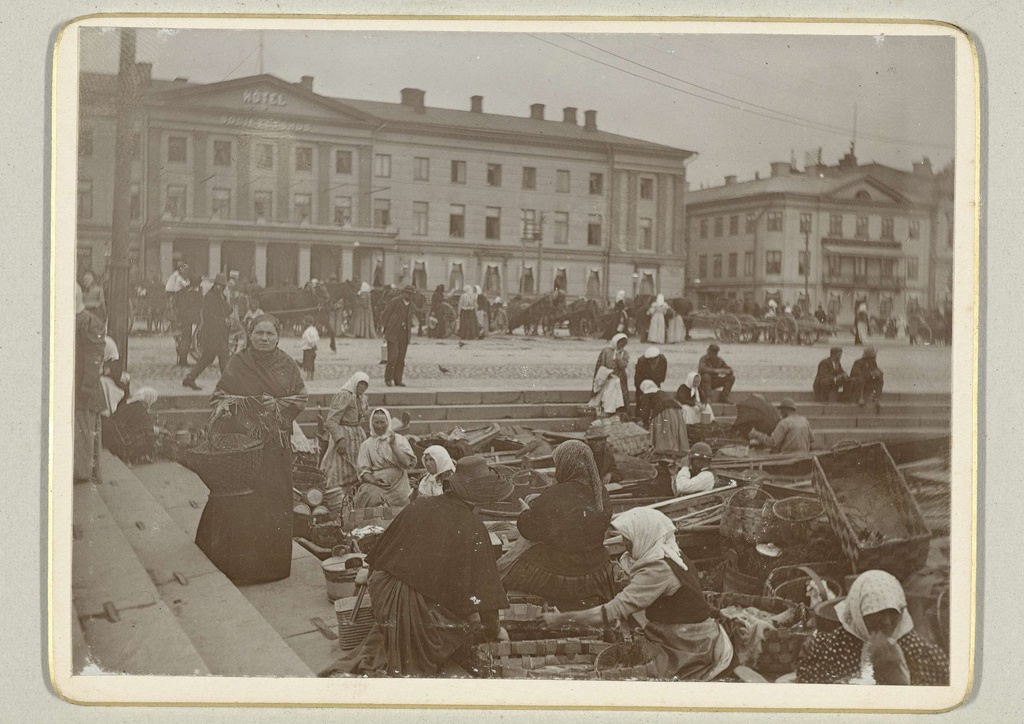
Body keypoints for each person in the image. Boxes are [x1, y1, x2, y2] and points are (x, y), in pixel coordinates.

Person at [328, 464, 511, 677]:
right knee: (467, 623)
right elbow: (485, 591)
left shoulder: (420, 503)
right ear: (478, 499)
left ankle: (396, 628)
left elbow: (380, 553)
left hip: (381, 592)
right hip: (410, 607)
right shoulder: (474, 526)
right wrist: (495, 630)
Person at [541, 507, 734, 681]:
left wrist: (561, 619)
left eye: (628, 541)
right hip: (687, 632)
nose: (625, 546)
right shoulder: (670, 551)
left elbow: (612, 611)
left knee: (638, 677)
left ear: (644, 535)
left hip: (689, 643)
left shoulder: (659, 568)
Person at [195, 314, 307, 584]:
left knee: (274, 502)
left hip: (275, 448)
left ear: (278, 336)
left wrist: (277, 406)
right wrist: (247, 404)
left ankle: (273, 566)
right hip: (243, 451)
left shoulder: (288, 364)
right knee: (243, 503)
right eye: (259, 333)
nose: (264, 338)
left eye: (270, 334)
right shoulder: (238, 362)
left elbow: (300, 397)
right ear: (249, 334)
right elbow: (218, 398)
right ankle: (241, 567)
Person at [497, 441, 616, 611]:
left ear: (566, 465)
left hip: (565, 575)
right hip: (596, 570)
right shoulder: (600, 491)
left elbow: (529, 530)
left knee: (507, 569)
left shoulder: (555, 493)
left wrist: (526, 512)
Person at [796, 570, 948, 685]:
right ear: (858, 614)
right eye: (878, 614)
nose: (887, 622)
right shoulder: (835, 645)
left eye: (893, 613)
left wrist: (894, 673)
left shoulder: (914, 645)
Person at [354, 407, 417, 509]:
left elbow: (407, 462)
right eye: (376, 422)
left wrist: (393, 444)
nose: (379, 426)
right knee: (370, 497)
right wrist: (374, 481)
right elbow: (364, 471)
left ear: (388, 422)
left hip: (399, 484)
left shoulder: (399, 439)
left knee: (401, 502)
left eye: (383, 422)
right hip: (377, 485)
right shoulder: (366, 445)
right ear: (371, 423)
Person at [75, 284, 106, 484]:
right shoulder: (80, 320)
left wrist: (87, 385)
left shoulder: (87, 322)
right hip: (77, 385)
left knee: (84, 428)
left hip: (84, 388)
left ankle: (83, 472)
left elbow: (94, 356)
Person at [320, 372, 370, 491]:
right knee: (339, 468)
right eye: (360, 384)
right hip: (344, 434)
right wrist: (340, 439)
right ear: (355, 382)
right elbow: (332, 420)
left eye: (365, 385)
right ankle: (334, 493)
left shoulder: (360, 398)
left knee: (357, 466)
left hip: (356, 435)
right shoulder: (345, 395)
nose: (362, 387)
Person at [183, 274, 233, 390]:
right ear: (215, 285)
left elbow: (228, 310)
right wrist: (223, 320)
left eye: (222, 286)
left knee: (208, 358)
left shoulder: (221, 297)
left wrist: (226, 304)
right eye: (218, 285)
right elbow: (208, 316)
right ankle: (227, 385)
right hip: (212, 334)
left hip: (220, 335)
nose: (219, 288)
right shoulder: (209, 297)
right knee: (223, 358)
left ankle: (190, 378)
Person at [102, 387, 159, 465]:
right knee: (145, 437)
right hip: (116, 440)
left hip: (108, 435)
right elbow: (147, 430)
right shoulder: (140, 409)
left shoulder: (129, 404)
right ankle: (138, 456)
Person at [641, 381, 690, 458]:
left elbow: (645, 411)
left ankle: (666, 450)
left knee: (664, 430)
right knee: (673, 428)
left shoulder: (647, 394)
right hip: (676, 411)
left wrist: (645, 422)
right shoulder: (661, 392)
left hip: (663, 410)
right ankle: (676, 448)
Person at [589, 333, 629, 417]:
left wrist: (618, 357)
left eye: (623, 344)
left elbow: (623, 366)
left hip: (619, 377)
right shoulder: (606, 351)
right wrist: (606, 373)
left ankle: (618, 411)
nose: (621, 345)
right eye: (620, 343)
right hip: (607, 377)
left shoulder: (625, 354)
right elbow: (601, 365)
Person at [634, 347, 667, 428]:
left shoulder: (663, 360)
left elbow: (662, 375)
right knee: (642, 403)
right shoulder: (641, 361)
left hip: (656, 383)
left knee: (656, 400)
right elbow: (638, 377)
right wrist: (643, 388)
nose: (652, 362)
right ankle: (641, 420)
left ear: (658, 357)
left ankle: (655, 420)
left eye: (654, 360)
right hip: (643, 384)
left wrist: (654, 384)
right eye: (650, 360)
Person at [175, 276, 203, 366]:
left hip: (183, 317)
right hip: (188, 318)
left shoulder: (184, 291)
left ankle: (182, 359)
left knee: (185, 338)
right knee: (186, 339)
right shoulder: (194, 294)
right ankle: (183, 361)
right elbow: (200, 306)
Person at [849, 346, 885, 411]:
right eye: (874, 355)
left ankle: (877, 398)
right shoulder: (858, 362)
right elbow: (857, 373)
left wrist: (878, 373)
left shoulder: (873, 363)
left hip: (867, 383)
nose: (875, 357)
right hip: (856, 383)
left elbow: (878, 371)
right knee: (861, 379)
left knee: (880, 380)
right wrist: (870, 373)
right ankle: (860, 398)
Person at [309, 278, 338, 352]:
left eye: (313, 285)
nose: (312, 286)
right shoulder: (318, 291)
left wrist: (320, 305)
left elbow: (325, 299)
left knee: (325, 328)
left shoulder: (319, 291)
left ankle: (332, 345)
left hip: (321, 313)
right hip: (318, 312)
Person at [299, 315, 319, 381]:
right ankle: (312, 377)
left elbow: (309, 340)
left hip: (308, 348)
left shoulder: (307, 331)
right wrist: (315, 345)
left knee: (308, 363)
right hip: (313, 349)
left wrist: (312, 344)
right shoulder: (314, 330)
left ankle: (308, 377)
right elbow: (317, 339)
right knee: (312, 363)